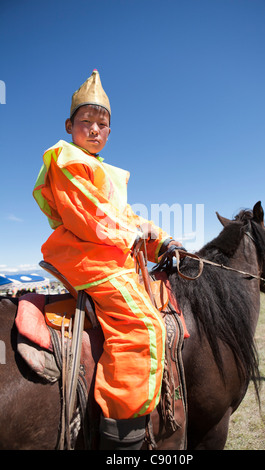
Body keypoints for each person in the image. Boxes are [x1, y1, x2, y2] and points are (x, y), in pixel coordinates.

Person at [33, 70, 182, 450]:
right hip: (87, 256)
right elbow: (86, 213)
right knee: (143, 325)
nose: (95, 130)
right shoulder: (66, 159)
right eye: (86, 122)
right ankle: (124, 441)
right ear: (70, 125)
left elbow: (128, 218)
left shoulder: (108, 173)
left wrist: (163, 243)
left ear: (110, 132)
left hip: (109, 254)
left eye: (102, 124)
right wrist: (130, 235)